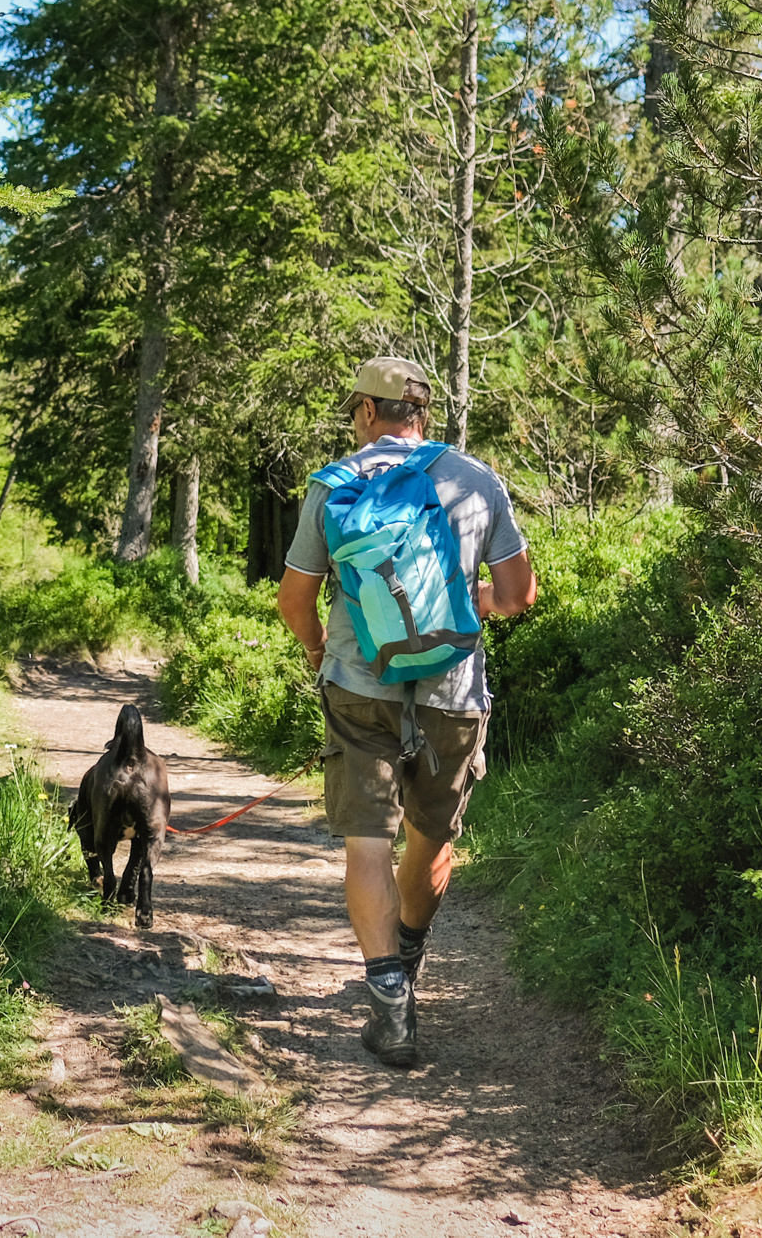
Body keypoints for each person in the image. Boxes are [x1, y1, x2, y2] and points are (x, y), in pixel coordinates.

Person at [276, 356, 537, 1067]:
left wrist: (318, 649)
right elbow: (518, 595)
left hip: (359, 688)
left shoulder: (333, 484)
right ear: (422, 413)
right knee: (430, 835)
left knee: (367, 841)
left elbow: (294, 601)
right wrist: (472, 601)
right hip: (453, 690)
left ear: (367, 411)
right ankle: (409, 959)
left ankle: (389, 1003)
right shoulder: (476, 479)